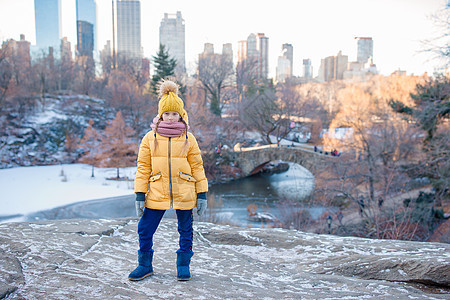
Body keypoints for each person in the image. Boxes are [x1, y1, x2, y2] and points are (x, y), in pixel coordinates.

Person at [129, 80, 208, 282]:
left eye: (175, 114)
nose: (171, 118)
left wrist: (202, 194)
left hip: (185, 191)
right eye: (167, 114)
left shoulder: (189, 138)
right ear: (160, 115)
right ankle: (144, 265)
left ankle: (183, 266)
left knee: (186, 230)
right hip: (157, 191)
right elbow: (143, 167)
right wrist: (139, 194)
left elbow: (197, 166)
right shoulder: (149, 138)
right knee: (145, 229)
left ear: (181, 115)